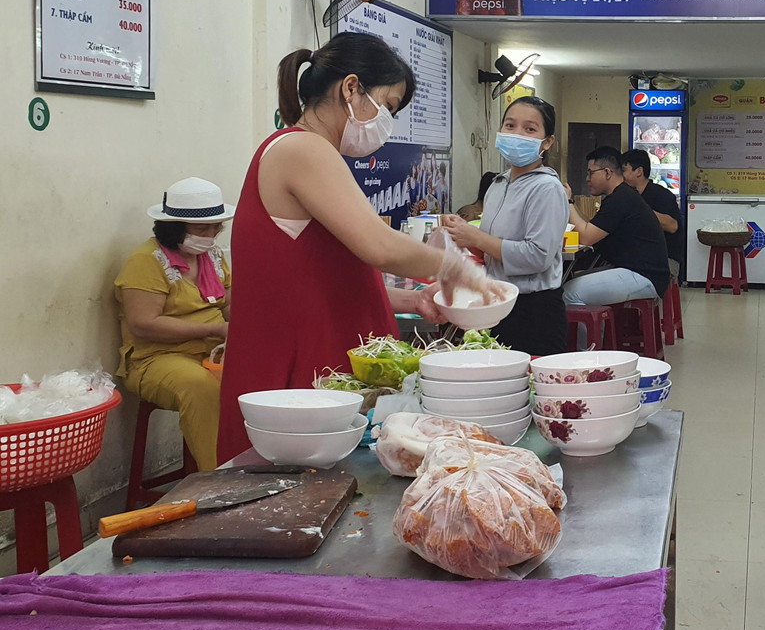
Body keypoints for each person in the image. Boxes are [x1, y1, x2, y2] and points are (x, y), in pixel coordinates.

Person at [217, 31, 494, 464]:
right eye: (388, 106)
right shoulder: (302, 149)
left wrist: (411, 298)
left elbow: (318, 276)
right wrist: (455, 268)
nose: (387, 121)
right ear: (351, 88)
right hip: (299, 376)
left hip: (320, 363)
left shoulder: (310, 151)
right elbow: (379, 246)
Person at [115, 178, 235, 471]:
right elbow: (144, 324)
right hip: (156, 359)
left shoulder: (212, 257)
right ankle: (221, 480)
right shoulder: (146, 261)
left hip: (213, 352)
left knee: (264, 371)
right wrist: (215, 329)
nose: (211, 235)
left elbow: (230, 305)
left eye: (216, 227)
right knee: (201, 386)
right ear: (174, 228)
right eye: (201, 229)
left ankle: (267, 467)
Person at [441, 97, 567, 355]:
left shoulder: (547, 188)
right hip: (496, 300)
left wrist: (476, 238)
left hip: (533, 308)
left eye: (529, 129)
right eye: (510, 125)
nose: (517, 133)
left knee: (527, 386)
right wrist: (459, 238)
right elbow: (491, 249)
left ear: (547, 142)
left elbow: (538, 257)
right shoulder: (497, 185)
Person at [563, 146, 670, 307]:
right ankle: (601, 331)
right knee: (573, 281)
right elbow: (591, 226)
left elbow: (586, 237)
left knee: (568, 294)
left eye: (591, 172)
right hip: (639, 271)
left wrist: (568, 201)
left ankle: (590, 333)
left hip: (644, 275)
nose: (587, 178)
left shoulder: (621, 199)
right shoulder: (621, 195)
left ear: (607, 173)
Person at [620, 148, 682, 282]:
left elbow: (673, 226)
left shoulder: (662, 195)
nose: (621, 175)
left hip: (664, 261)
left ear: (639, 171)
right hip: (638, 257)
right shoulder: (626, 196)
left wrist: (640, 208)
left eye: (624, 170)